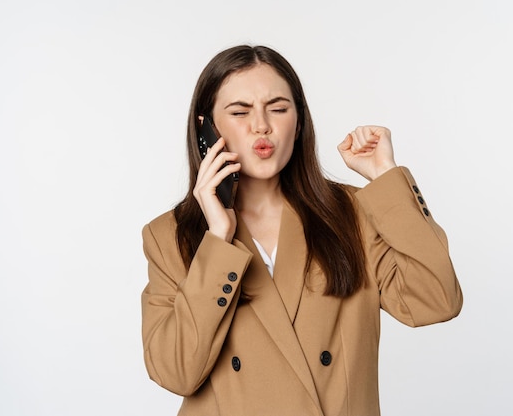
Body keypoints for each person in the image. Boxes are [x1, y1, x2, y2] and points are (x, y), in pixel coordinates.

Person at [141, 44, 463, 416]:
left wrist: (386, 179)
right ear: (206, 129)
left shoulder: (353, 214)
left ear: (299, 122)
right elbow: (174, 373)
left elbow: (437, 301)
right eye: (240, 111)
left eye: (278, 109)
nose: (262, 125)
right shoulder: (170, 235)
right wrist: (217, 236)